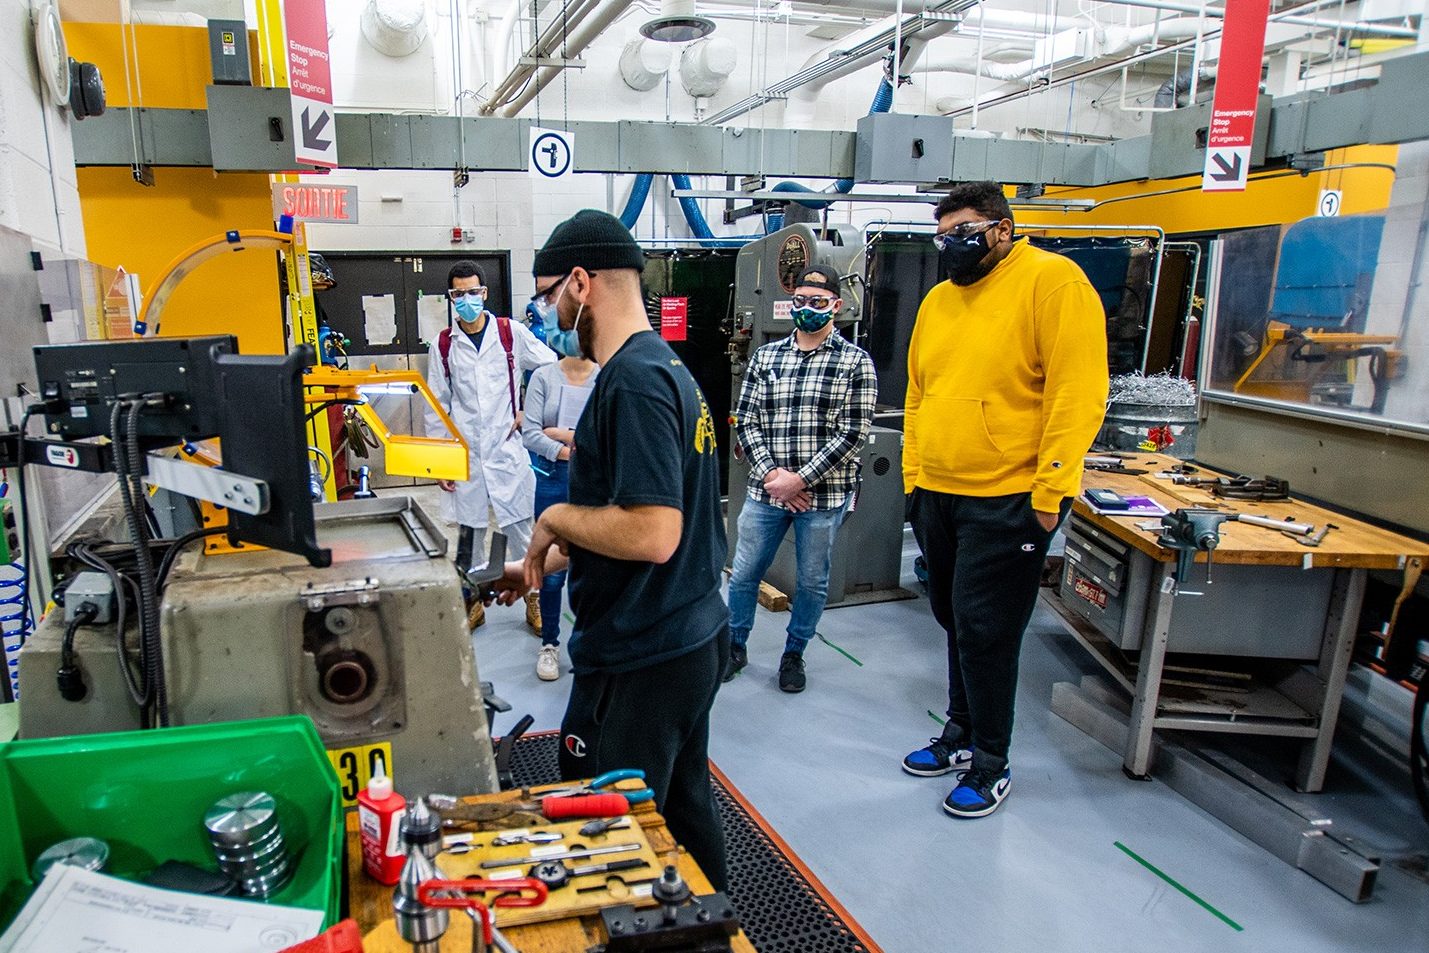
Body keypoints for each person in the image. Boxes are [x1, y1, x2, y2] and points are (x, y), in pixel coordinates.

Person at [499, 209, 730, 889]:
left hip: (640, 655)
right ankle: (713, 932)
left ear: (580, 281)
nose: (548, 313)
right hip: (686, 637)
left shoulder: (629, 381)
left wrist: (557, 517)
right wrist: (538, 561)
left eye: (547, 296)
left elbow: (654, 532)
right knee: (683, 810)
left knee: (604, 820)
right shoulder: (666, 370)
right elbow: (627, 521)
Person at [900, 181, 1108, 818]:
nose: (951, 246)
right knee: (952, 619)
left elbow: (1078, 394)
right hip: (939, 492)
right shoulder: (938, 301)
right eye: (944, 236)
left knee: (988, 631)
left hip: (1009, 496)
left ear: (1002, 229)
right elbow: (918, 392)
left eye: (963, 232)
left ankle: (992, 762)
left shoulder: (1054, 282)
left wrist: (1049, 494)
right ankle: (961, 733)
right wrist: (913, 479)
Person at [724, 265, 876, 693]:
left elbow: (853, 433)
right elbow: (747, 421)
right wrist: (774, 476)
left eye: (818, 303)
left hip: (822, 497)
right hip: (765, 491)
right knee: (744, 572)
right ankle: (735, 646)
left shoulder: (855, 363)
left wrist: (801, 480)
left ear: (836, 307)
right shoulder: (766, 356)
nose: (808, 309)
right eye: (801, 302)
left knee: (812, 580)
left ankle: (794, 655)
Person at [424, 260, 554, 630]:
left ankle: (535, 600)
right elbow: (438, 404)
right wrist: (440, 462)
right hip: (465, 455)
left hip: (507, 450)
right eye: (458, 293)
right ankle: (472, 601)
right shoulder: (445, 344)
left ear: (484, 293)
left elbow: (549, 368)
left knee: (523, 532)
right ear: (451, 298)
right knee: (469, 537)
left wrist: (530, 411)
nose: (466, 299)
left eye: (472, 292)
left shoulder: (509, 333)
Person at [520, 332, 598, 681]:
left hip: (596, 483)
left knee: (594, 568)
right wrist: (572, 450)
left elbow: (608, 435)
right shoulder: (543, 377)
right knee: (551, 570)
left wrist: (565, 436)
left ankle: (589, 646)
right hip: (552, 480)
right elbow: (531, 434)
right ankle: (549, 644)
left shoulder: (605, 376)